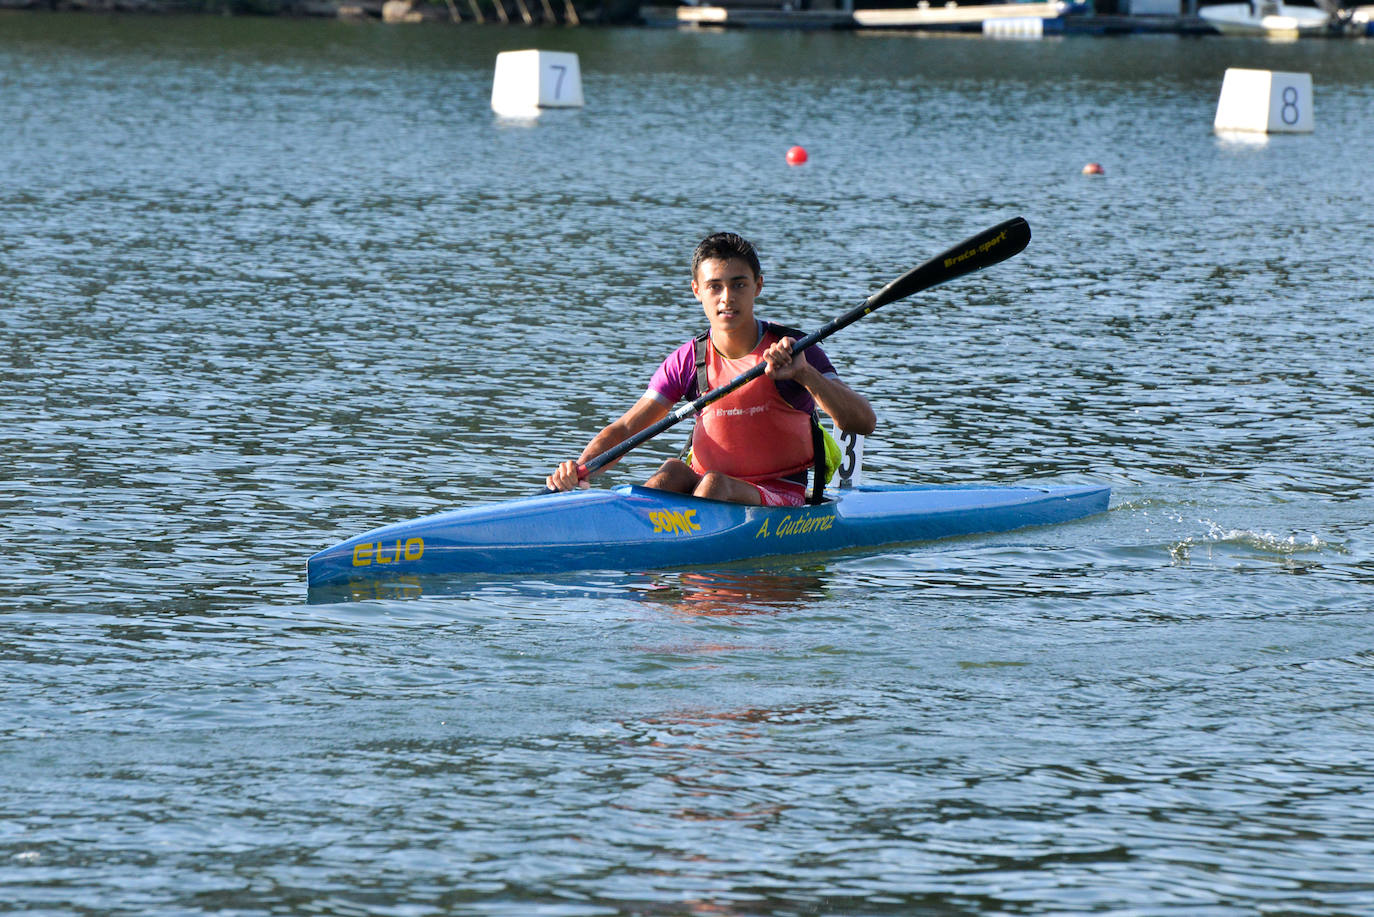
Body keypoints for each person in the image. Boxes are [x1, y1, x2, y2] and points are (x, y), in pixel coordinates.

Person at [546, 232, 875, 507]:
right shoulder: (688, 360)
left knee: (715, 485)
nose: (726, 298)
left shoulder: (797, 350)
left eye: (739, 285)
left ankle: (679, 564)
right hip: (706, 487)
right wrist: (580, 469)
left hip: (781, 494)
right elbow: (627, 428)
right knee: (670, 474)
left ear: (758, 286)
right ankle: (642, 576)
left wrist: (805, 375)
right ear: (697, 291)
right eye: (715, 286)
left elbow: (862, 421)